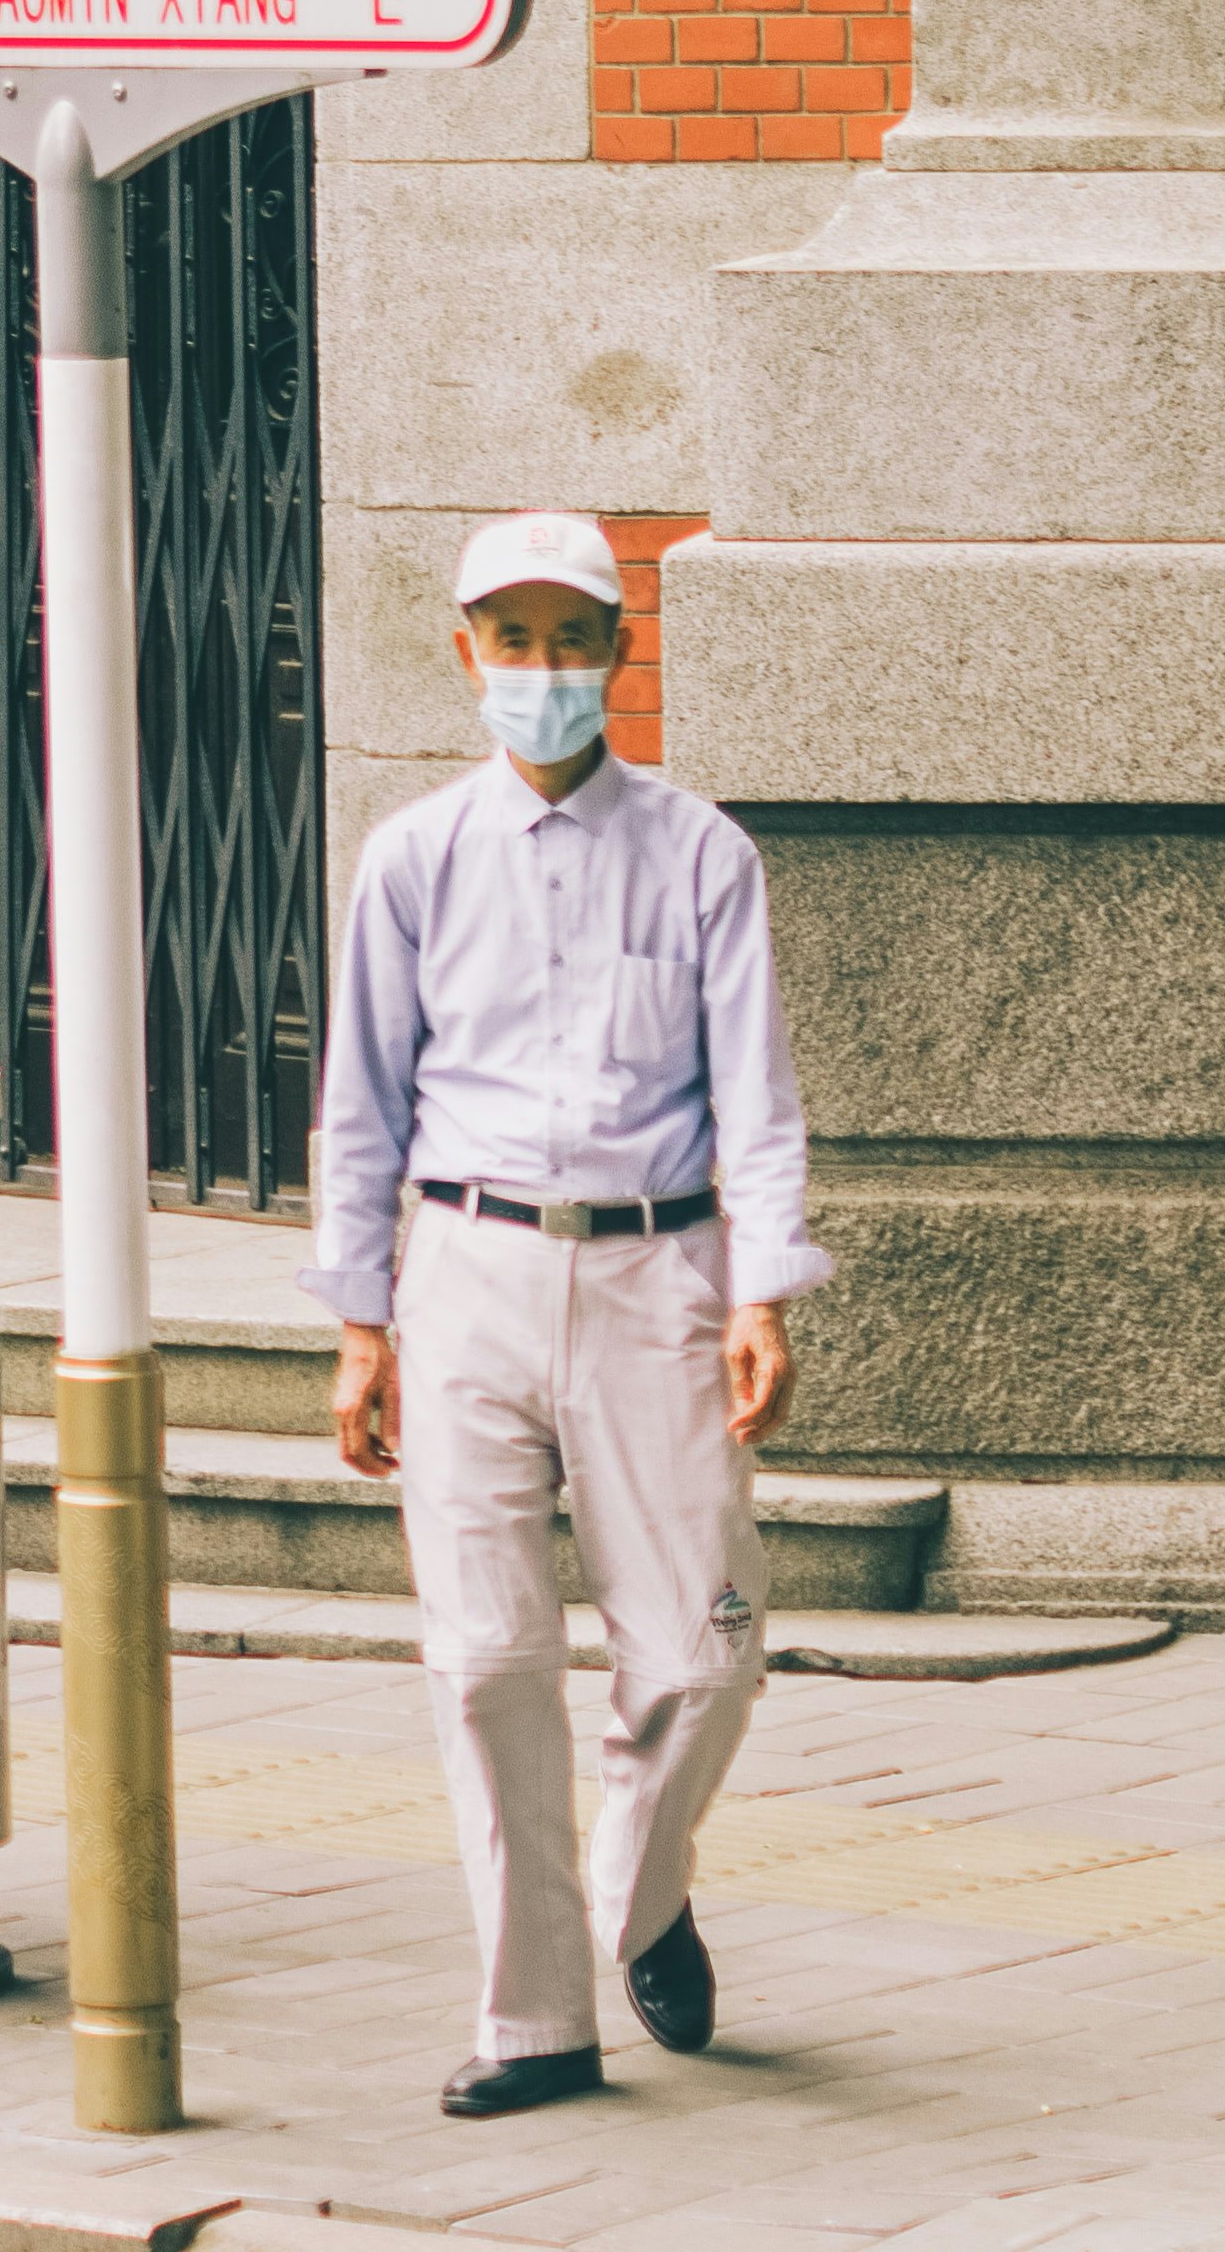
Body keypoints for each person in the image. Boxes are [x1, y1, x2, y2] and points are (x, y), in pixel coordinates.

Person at [297, 507, 830, 2121]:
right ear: (467, 655)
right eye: (511, 639)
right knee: (484, 1658)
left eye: (571, 638)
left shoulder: (701, 853)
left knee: (706, 1650)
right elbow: (361, 1105)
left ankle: (639, 1888)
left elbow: (758, 1099)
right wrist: (361, 1321)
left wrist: (763, 1287)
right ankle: (536, 2020)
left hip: (657, 1274)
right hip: (463, 1273)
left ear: (616, 654)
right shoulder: (413, 857)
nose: (541, 669)